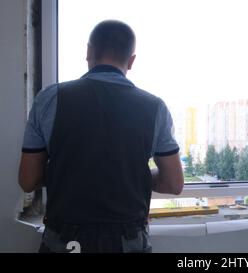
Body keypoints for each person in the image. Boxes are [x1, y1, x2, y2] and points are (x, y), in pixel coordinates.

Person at [18, 20, 184, 253]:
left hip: (65, 242)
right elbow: (173, 183)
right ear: (132, 60)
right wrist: (130, 173)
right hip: (127, 242)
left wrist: (71, 169)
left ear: (88, 51)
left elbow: (28, 180)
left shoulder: (50, 99)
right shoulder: (154, 107)